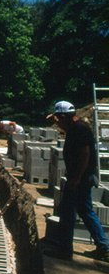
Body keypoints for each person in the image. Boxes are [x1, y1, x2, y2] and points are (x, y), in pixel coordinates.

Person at [43, 101, 109, 262]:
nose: (57, 123)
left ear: (64, 116)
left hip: (80, 178)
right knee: (85, 211)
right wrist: (54, 118)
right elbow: (56, 122)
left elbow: (84, 155)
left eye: (58, 119)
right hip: (80, 177)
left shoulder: (79, 129)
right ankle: (104, 248)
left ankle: (65, 250)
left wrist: (76, 179)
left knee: (67, 212)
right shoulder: (74, 126)